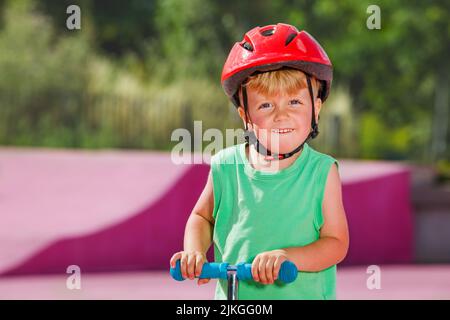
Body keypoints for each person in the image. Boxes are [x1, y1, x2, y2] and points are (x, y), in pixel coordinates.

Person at [170, 23, 349, 299]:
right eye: (266, 105)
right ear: (245, 116)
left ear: (316, 107)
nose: (281, 115)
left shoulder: (321, 172)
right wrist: (194, 250)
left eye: (295, 102)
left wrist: (288, 257)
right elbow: (202, 217)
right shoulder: (225, 166)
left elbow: (336, 244)